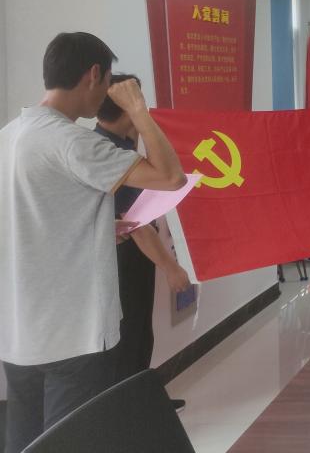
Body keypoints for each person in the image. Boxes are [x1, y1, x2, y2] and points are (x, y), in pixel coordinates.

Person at [0, 33, 186, 453]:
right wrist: (139, 111)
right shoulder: (73, 142)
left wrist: (101, 227)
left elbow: (35, 216)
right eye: (106, 83)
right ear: (93, 74)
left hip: (18, 330)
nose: (105, 95)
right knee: (71, 442)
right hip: (73, 333)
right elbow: (171, 177)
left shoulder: (9, 135)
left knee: (25, 442)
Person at [94, 75, 191, 402]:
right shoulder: (111, 153)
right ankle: (133, 410)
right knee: (131, 334)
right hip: (124, 257)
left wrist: (135, 126)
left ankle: (141, 404)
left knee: (137, 332)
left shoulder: (112, 142)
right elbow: (134, 225)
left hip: (122, 256)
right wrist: (171, 268)